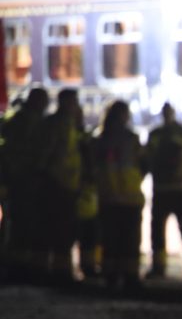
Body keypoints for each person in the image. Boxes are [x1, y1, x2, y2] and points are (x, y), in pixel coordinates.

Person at [33, 88, 87, 285]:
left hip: (64, 183)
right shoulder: (59, 124)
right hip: (58, 183)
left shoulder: (67, 124)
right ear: (65, 103)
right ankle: (59, 272)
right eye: (74, 101)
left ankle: (52, 270)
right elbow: (47, 153)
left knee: (58, 229)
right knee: (60, 230)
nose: (76, 105)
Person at [92, 101, 146, 293]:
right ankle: (130, 278)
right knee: (130, 240)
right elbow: (144, 164)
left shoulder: (99, 139)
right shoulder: (132, 139)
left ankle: (111, 277)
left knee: (110, 239)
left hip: (108, 197)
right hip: (130, 197)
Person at [146, 102, 182, 279]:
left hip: (169, 188)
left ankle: (162, 267)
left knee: (166, 229)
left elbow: (148, 159)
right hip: (175, 188)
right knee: (176, 230)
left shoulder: (157, 134)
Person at [0, 88, 49, 282]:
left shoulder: (16, 119)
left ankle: (15, 265)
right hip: (24, 179)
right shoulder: (28, 122)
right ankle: (20, 268)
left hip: (16, 179)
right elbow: (33, 152)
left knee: (17, 224)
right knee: (23, 224)